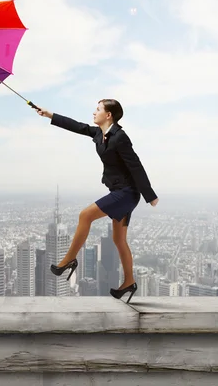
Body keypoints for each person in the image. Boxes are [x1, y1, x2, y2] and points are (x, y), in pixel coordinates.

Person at [37, 99, 158, 303]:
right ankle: (129, 282)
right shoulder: (98, 134)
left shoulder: (120, 137)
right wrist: (50, 115)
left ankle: (68, 260)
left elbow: (136, 165)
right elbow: (76, 126)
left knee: (85, 215)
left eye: (98, 109)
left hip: (127, 193)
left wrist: (150, 195)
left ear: (108, 115)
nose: (94, 112)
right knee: (118, 240)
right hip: (119, 190)